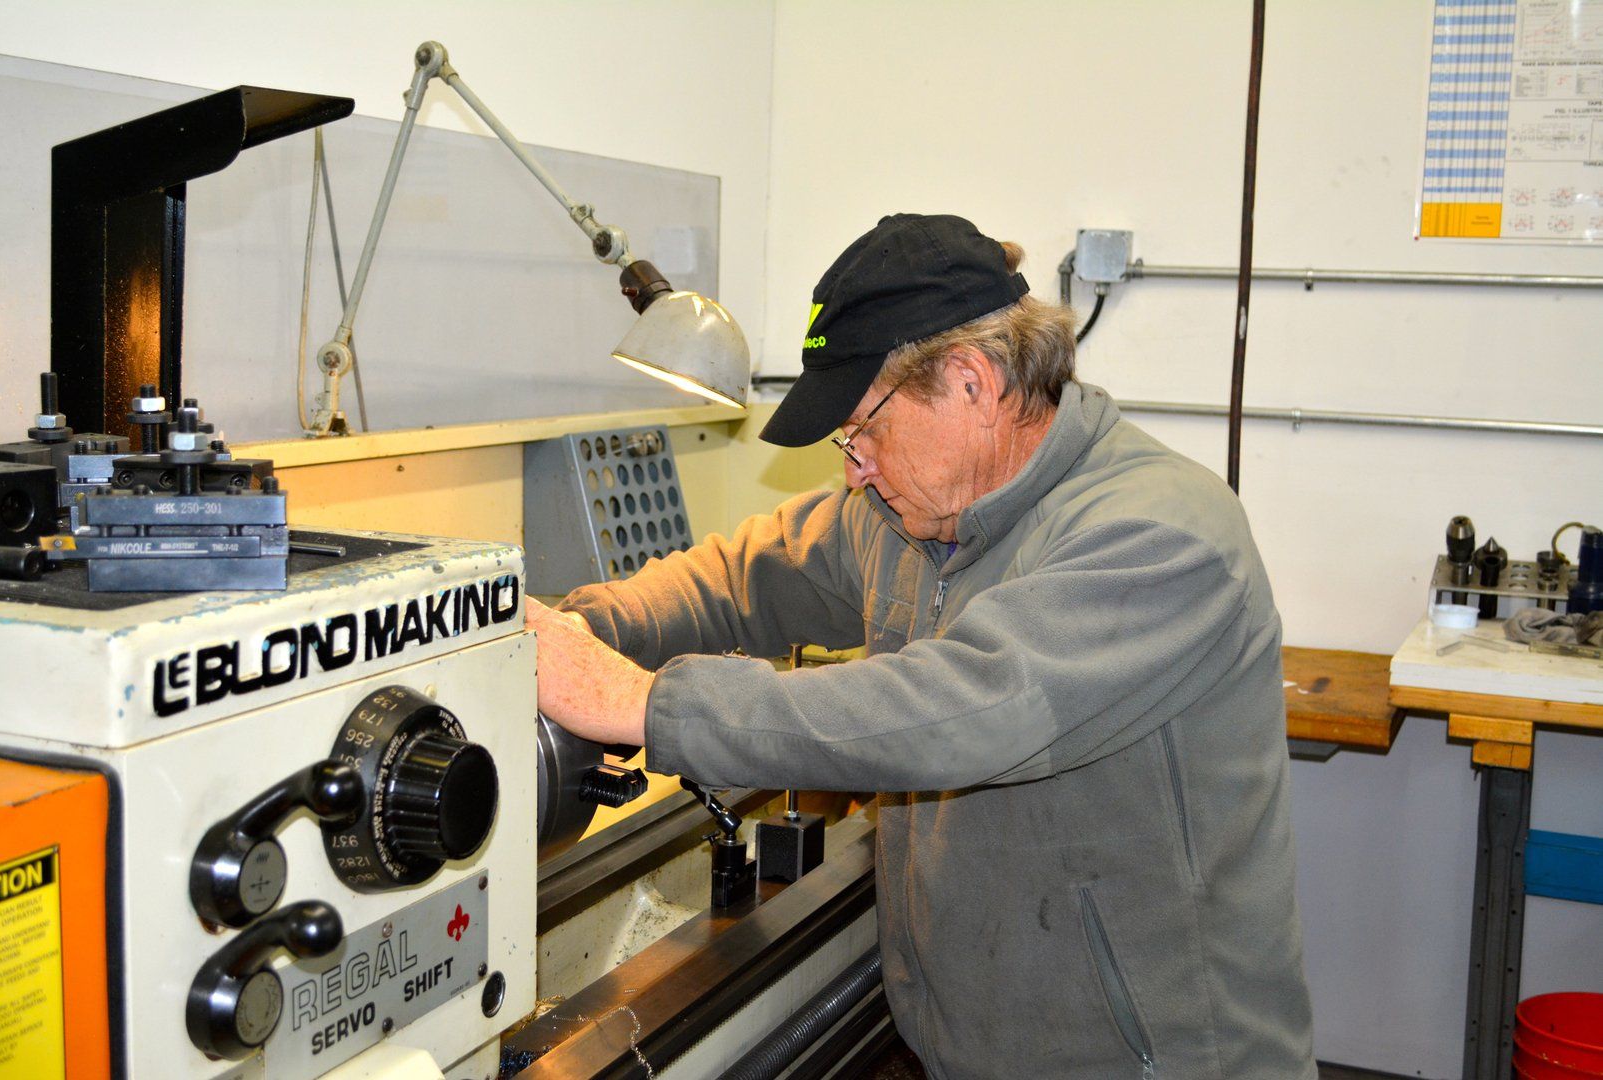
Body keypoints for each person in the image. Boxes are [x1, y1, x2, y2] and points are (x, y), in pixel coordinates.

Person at [526, 213, 1315, 1078]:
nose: (854, 465)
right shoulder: (910, 512)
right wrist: (574, 633)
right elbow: (744, 577)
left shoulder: (1164, 533)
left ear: (972, 385)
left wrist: (639, 703)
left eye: (865, 428)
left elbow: (960, 709)